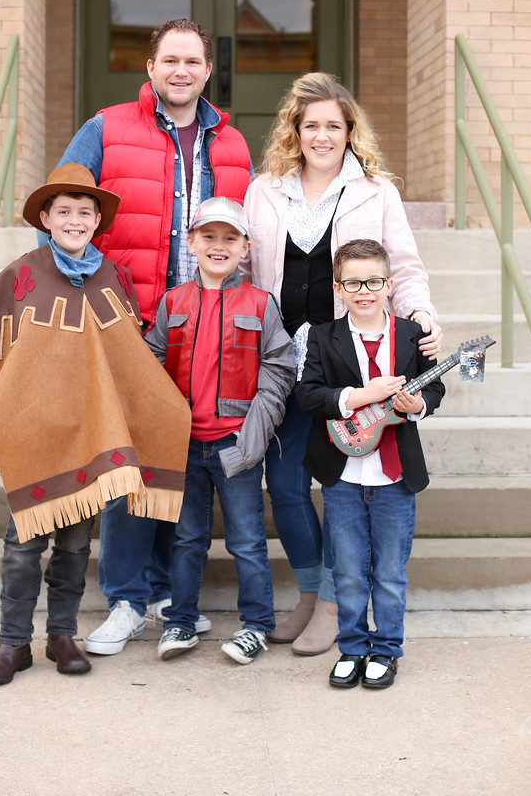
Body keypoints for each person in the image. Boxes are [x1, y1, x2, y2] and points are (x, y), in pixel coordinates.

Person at [51, 19, 253, 656]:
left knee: (181, 463)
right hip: (128, 325)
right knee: (129, 464)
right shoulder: (105, 128)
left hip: (205, 330)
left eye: (193, 60)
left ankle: (169, 593)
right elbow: (60, 212)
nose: (181, 70)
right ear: (150, 66)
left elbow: (247, 240)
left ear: (207, 70)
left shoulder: (234, 145)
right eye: (170, 59)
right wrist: (79, 296)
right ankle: (127, 599)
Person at [0, 163, 191, 685]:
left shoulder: (115, 277)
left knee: (75, 544)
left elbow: (127, 360)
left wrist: (160, 409)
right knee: (23, 544)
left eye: (85, 213)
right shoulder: (24, 271)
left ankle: (61, 636)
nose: (75, 220)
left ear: (97, 221)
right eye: (64, 211)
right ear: (46, 217)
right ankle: (12, 643)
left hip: (90, 431)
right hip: (36, 429)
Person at [242, 72, 442, 655]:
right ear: (294, 131)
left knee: (335, 478)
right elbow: (251, 274)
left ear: (349, 130)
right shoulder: (266, 189)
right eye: (311, 126)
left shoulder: (374, 191)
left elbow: (401, 266)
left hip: (344, 365)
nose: (322, 136)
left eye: (334, 125)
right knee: (283, 482)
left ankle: (333, 602)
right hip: (281, 360)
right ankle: (310, 592)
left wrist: (420, 317)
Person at [145, 197, 296, 665]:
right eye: (208, 236)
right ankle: (181, 621)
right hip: (185, 447)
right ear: (190, 242)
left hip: (236, 446)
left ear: (245, 247)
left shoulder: (259, 302)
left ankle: (256, 626)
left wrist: (253, 435)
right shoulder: (173, 303)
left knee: (246, 540)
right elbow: (149, 366)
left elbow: (280, 369)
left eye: (230, 238)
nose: (218, 246)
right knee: (188, 538)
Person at [297, 239, 445, 688]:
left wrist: (418, 403)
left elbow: (435, 392)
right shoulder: (323, 336)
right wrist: (361, 396)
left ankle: (386, 649)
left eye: (374, 281)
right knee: (347, 569)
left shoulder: (411, 334)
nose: (365, 290)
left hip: (395, 475)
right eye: (353, 282)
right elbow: (309, 394)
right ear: (339, 288)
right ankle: (353, 647)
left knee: (389, 572)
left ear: (389, 285)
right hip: (342, 474)